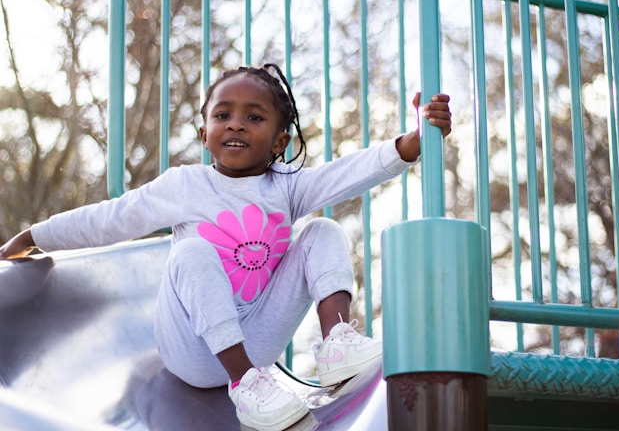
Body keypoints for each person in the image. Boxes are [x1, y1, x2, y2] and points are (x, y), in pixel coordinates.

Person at [0, 63, 451, 431]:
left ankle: (337, 343)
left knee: (321, 231)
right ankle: (245, 385)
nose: (236, 123)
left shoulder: (287, 188)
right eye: (223, 115)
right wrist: (37, 235)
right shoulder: (185, 186)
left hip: (259, 340)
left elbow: (346, 174)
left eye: (254, 117)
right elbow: (111, 218)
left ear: (279, 141)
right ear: (204, 133)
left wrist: (409, 143)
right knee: (193, 252)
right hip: (194, 352)